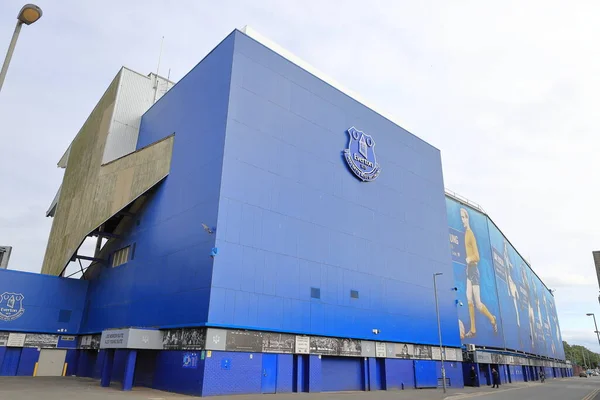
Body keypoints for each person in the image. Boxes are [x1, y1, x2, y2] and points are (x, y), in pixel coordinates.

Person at [461, 208, 498, 338]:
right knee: (468, 299)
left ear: (467, 218)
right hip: (468, 270)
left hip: (474, 270)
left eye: (464, 217)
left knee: (478, 303)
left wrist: (469, 258)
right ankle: (473, 329)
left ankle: (492, 319)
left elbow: (477, 256)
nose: (462, 220)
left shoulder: (470, 234)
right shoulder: (465, 233)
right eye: (461, 217)